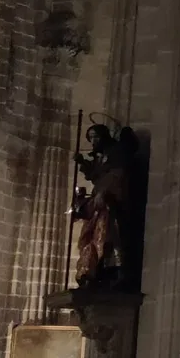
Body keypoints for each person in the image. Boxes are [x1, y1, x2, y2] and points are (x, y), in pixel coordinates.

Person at [73, 122, 141, 289]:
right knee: (89, 237)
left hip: (111, 201)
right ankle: (90, 270)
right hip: (98, 201)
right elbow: (95, 175)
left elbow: (118, 174)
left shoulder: (116, 152)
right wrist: (82, 162)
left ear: (104, 136)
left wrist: (105, 192)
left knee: (110, 236)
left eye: (95, 137)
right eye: (90, 138)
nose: (93, 141)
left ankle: (117, 271)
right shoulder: (101, 157)